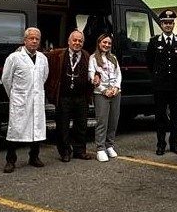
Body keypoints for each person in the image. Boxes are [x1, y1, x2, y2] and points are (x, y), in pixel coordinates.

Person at [2, 27, 49, 172]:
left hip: (36, 99)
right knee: (15, 130)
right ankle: (10, 160)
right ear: (25, 40)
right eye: (31, 38)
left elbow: (44, 77)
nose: (34, 41)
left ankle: (34, 157)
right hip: (20, 100)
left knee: (36, 129)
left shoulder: (43, 58)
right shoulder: (14, 58)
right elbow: (6, 79)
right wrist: (15, 95)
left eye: (37, 39)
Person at [45, 30, 94, 162]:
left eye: (80, 41)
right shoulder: (57, 54)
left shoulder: (87, 56)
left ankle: (80, 151)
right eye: (75, 40)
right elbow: (40, 57)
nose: (77, 43)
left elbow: (94, 71)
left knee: (81, 125)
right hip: (63, 97)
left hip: (81, 97)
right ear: (69, 41)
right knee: (62, 126)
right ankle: (65, 152)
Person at [147, 10, 177, 155]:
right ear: (161, 24)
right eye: (165, 23)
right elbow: (150, 63)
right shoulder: (154, 41)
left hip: (176, 86)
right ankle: (161, 144)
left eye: (170, 23)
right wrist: (157, 78)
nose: (168, 25)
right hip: (160, 86)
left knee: (175, 117)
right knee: (160, 116)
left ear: (173, 24)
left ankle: (174, 144)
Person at [89, 33, 122, 162]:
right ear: (99, 43)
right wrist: (103, 90)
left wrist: (116, 88)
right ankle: (100, 148)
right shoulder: (93, 58)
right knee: (102, 121)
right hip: (101, 94)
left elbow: (118, 74)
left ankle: (110, 145)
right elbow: (92, 76)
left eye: (109, 43)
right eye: (104, 42)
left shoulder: (113, 58)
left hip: (115, 93)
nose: (107, 45)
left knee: (113, 120)